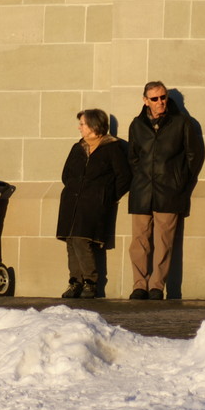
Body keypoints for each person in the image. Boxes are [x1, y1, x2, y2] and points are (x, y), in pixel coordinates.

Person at [127, 81, 203, 300]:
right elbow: (133, 157)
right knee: (139, 242)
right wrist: (140, 177)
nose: (160, 102)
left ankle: (156, 286)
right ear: (145, 101)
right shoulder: (137, 125)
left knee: (164, 241)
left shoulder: (182, 123)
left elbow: (193, 156)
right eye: (155, 98)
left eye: (163, 97)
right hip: (142, 191)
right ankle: (139, 285)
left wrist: (180, 183)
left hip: (170, 191)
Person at [56, 109, 132, 299]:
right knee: (71, 241)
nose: (79, 127)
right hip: (72, 201)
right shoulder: (78, 147)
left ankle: (91, 282)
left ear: (94, 126)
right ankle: (75, 282)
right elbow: (66, 174)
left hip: (94, 203)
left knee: (82, 240)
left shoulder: (112, 148)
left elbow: (124, 176)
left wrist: (107, 196)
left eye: (83, 124)